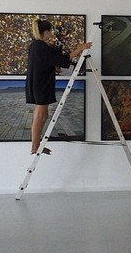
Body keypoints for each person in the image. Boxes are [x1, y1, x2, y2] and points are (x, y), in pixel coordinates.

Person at [25, 19, 90, 155]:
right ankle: (35, 146)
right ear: (46, 32)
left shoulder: (36, 46)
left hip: (38, 82)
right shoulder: (41, 47)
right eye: (50, 31)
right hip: (41, 84)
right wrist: (80, 48)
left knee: (42, 114)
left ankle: (37, 144)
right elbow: (62, 60)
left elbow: (50, 60)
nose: (52, 34)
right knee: (41, 115)